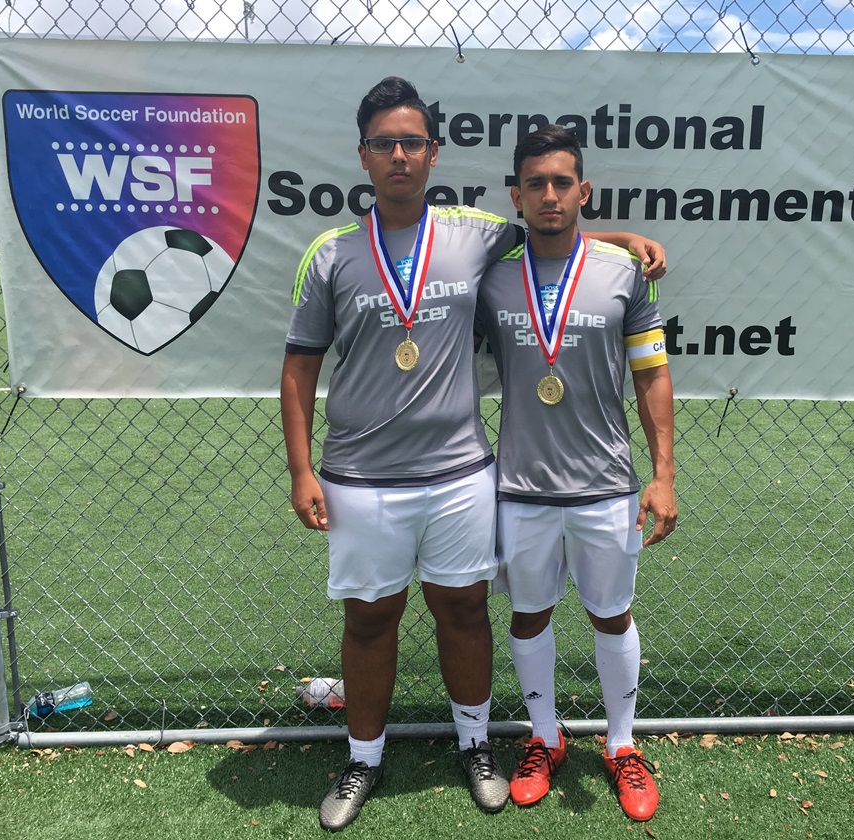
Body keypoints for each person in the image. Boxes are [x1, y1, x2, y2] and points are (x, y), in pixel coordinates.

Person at [280, 77, 666, 832]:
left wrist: (623, 239)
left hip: (462, 473)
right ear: (363, 155)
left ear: (433, 153)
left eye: (412, 142)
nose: (399, 155)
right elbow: (299, 366)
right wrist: (300, 469)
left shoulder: (473, 232)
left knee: (463, 613)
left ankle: (476, 745)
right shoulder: (330, 254)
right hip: (359, 475)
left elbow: (555, 231)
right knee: (368, 621)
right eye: (385, 142)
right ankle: (363, 757)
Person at [475, 125, 677, 822]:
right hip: (522, 488)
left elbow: (652, 372)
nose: (550, 195)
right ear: (517, 195)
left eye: (563, 183)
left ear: (582, 191)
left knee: (610, 613)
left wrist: (664, 474)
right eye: (537, 184)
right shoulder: (492, 273)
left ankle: (622, 745)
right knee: (529, 615)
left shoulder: (625, 273)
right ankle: (544, 737)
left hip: (606, 485)